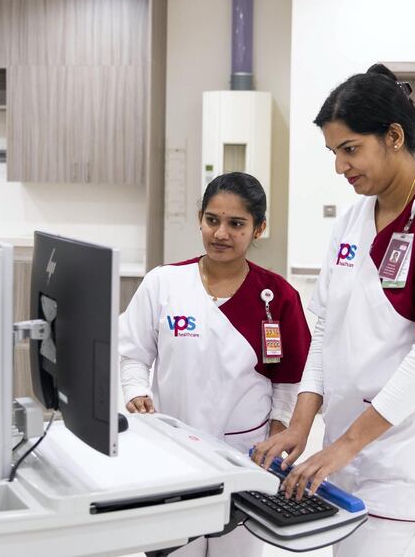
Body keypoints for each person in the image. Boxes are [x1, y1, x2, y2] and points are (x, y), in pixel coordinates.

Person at [252, 64, 415, 556]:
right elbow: (326, 330)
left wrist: (345, 443)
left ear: (392, 136)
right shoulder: (353, 219)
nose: (340, 167)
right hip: (353, 455)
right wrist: (304, 424)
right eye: (333, 153)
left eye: (350, 150)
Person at [119, 171, 311, 557]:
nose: (221, 233)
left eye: (236, 223)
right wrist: (136, 390)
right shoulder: (165, 283)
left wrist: (279, 426)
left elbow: (291, 377)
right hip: (172, 449)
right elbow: (133, 351)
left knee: (235, 549)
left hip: (243, 454)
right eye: (212, 220)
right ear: (200, 219)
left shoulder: (278, 296)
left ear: (259, 229)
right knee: (175, 549)